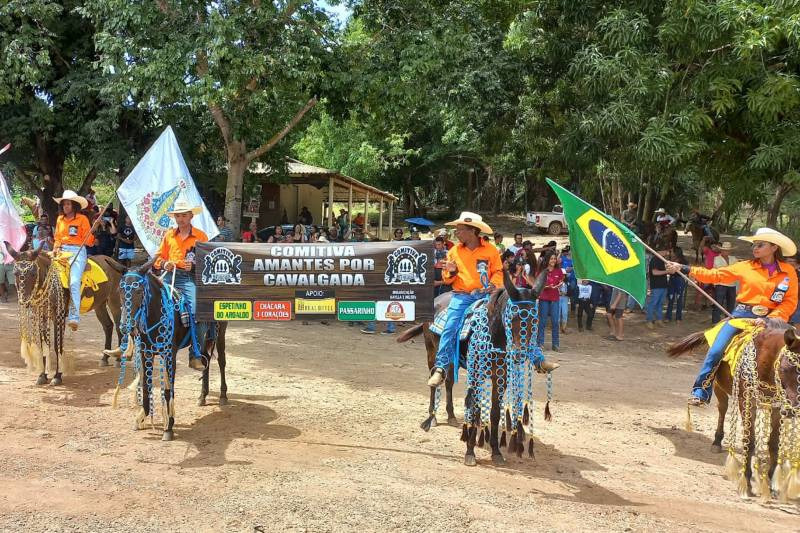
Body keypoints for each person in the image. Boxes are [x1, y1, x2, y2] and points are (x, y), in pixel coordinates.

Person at [665, 227, 798, 406]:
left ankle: (791, 397)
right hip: (742, 315)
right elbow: (716, 275)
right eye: (754, 245)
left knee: (795, 352)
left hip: (774, 320)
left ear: (774, 248)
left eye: (760, 245)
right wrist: (684, 268)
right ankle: (701, 391)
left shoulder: (788, 271)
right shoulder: (745, 266)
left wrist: (771, 318)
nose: (755, 248)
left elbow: (790, 301)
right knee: (716, 350)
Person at [427, 212, 558, 387]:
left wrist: (494, 285)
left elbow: (498, 272)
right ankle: (441, 368)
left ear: (472, 231)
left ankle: (537, 359)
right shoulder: (453, 251)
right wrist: (451, 270)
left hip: (488, 294)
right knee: (450, 326)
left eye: (460, 229)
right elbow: (447, 278)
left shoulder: (490, 250)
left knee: (520, 315)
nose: (456, 233)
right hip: (462, 296)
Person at [153, 197, 212, 371]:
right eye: (178, 216)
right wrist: (164, 264)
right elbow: (157, 258)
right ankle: (136, 344)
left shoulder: (201, 236)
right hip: (168, 276)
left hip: (188, 279)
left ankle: (195, 354)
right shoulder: (169, 235)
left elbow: (209, 261)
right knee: (146, 301)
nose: (181, 219)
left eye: (184, 215)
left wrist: (194, 265)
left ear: (191, 216)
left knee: (197, 311)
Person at [52, 190, 94, 331]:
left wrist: (91, 233)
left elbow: (89, 242)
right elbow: (57, 238)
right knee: (49, 277)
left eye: (68, 204)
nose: (66, 206)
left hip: (78, 251)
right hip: (61, 251)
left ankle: (74, 317)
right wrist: (55, 248)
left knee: (74, 282)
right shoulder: (60, 219)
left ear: (74, 205)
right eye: (64, 204)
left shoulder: (82, 219)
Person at [537, 252, 564, 352]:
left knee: (555, 322)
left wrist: (560, 284)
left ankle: (555, 344)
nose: (553, 260)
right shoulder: (542, 271)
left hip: (555, 299)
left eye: (554, 259)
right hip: (544, 298)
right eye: (551, 259)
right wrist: (547, 287)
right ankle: (540, 344)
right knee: (542, 322)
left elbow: (561, 281)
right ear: (547, 260)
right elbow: (538, 284)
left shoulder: (559, 271)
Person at [711, 242, 738, 324]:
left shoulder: (734, 259)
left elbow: (737, 271)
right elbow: (718, 271)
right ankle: (715, 322)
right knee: (718, 304)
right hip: (721, 284)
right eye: (725, 250)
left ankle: (728, 322)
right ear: (721, 251)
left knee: (731, 304)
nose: (726, 252)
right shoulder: (716, 259)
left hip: (732, 284)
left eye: (728, 250)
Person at [646, 245, 670, 328]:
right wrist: (667, 271)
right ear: (660, 251)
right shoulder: (655, 260)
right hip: (656, 285)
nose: (666, 252)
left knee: (660, 304)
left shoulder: (662, 260)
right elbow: (654, 272)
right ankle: (649, 320)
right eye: (665, 250)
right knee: (653, 303)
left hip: (663, 285)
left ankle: (659, 320)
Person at [665, 246, 687, 322]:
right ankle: (668, 316)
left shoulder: (683, 261)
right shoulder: (671, 260)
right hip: (672, 280)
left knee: (679, 299)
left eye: (672, 252)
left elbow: (685, 271)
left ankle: (678, 317)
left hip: (679, 280)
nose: (671, 253)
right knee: (670, 298)